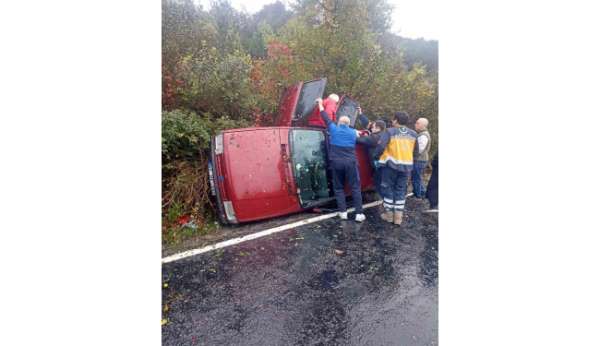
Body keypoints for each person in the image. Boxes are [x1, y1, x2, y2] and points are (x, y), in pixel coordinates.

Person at [316, 97, 365, 222]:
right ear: (349, 124)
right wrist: (361, 114)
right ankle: (359, 214)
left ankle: (343, 213)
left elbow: (325, 116)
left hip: (336, 164)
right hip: (350, 163)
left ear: (339, 122)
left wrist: (320, 104)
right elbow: (363, 133)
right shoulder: (354, 132)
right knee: (355, 187)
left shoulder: (334, 129)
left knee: (338, 188)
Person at [374, 111, 419, 225]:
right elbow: (416, 152)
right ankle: (398, 218)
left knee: (387, 189)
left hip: (390, 166)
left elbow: (380, 146)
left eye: (393, 119)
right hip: (406, 168)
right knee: (400, 191)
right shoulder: (414, 134)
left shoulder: (390, 131)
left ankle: (389, 216)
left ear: (395, 120)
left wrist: (376, 156)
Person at [355, 107, 386, 197]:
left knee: (379, 182)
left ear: (378, 128)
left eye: (373, 127)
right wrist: (360, 114)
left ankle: (384, 200)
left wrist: (351, 134)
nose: (371, 128)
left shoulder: (375, 137)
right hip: (384, 163)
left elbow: (361, 141)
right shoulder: (384, 134)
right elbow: (368, 124)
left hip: (379, 164)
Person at [411, 117, 432, 198]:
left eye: (417, 123)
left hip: (419, 160)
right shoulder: (421, 134)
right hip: (420, 160)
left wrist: (410, 155)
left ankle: (418, 195)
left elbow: (419, 150)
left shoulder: (423, 135)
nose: (415, 124)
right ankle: (422, 192)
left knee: (416, 177)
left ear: (423, 125)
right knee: (417, 176)